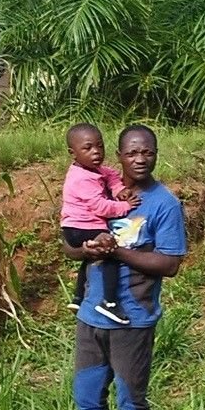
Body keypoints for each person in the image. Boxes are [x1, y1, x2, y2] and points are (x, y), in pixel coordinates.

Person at [66, 125, 188, 410]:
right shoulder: (97, 187)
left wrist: (117, 252)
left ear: (155, 154)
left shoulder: (163, 204)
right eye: (132, 153)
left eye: (146, 153)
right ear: (119, 156)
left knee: (130, 402)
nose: (139, 159)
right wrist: (87, 249)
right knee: (87, 398)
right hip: (91, 315)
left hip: (133, 319)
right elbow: (69, 245)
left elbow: (169, 264)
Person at [59, 123, 136, 325]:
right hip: (79, 227)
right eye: (88, 148)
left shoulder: (94, 170)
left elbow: (110, 175)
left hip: (77, 225)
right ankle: (109, 302)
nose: (96, 152)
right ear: (72, 153)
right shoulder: (80, 179)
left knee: (90, 256)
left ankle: (77, 298)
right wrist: (125, 206)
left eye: (100, 146)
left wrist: (118, 188)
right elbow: (100, 207)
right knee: (109, 252)